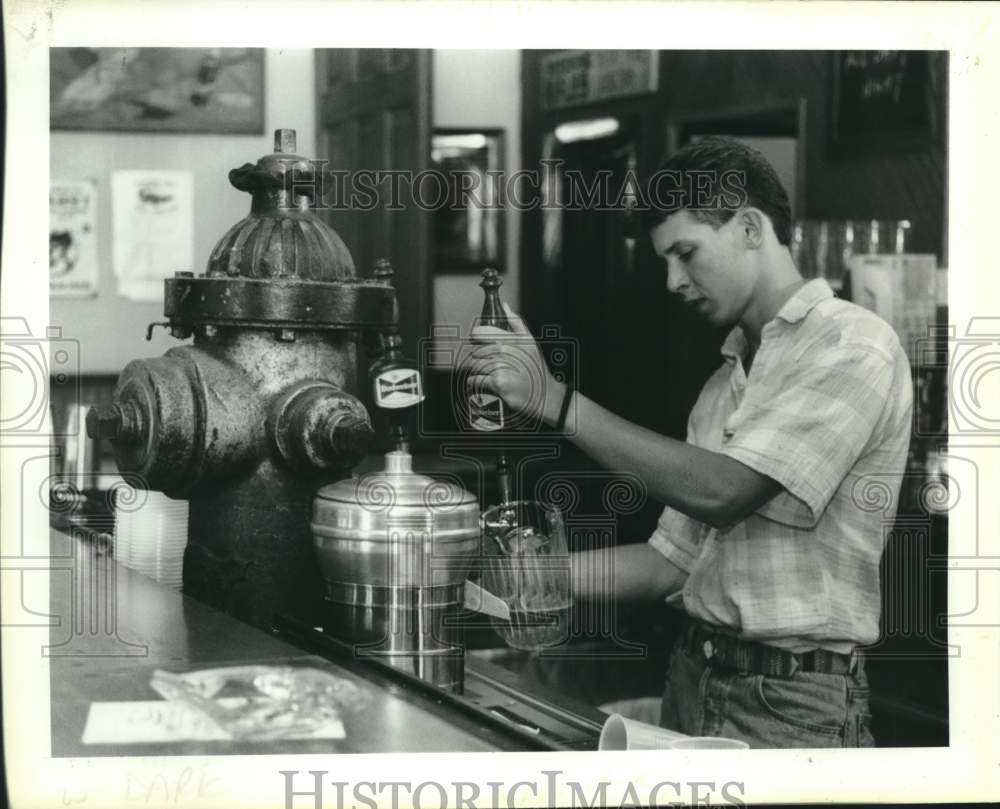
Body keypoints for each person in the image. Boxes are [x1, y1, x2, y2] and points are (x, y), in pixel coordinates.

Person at [461, 136, 913, 748]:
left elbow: (726, 492)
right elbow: (670, 562)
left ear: (751, 228)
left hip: (793, 702)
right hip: (694, 675)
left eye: (686, 253)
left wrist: (556, 402)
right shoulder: (723, 384)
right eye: (665, 260)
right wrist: (514, 575)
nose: (673, 281)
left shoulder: (852, 345)